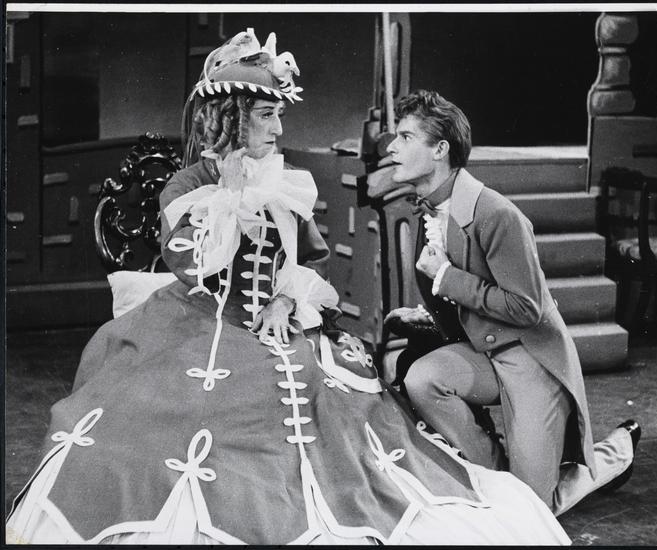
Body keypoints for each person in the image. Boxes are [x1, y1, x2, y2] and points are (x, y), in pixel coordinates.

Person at [6, 31, 572, 545]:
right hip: (201, 318)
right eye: (266, 116)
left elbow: (307, 262)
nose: (279, 129)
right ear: (232, 118)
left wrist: (284, 299)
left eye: (279, 115)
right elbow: (194, 266)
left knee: (332, 407)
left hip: (288, 319)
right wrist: (230, 198)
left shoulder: (284, 180)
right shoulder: (186, 185)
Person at [384, 89, 641, 516]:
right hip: (486, 352)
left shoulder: (498, 214)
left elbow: (527, 308)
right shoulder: (431, 209)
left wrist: (446, 277)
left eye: (405, 137)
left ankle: (614, 453)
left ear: (440, 150)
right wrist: (428, 313)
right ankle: (499, 479)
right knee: (422, 379)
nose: (392, 147)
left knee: (535, 511)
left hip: (532, 359)